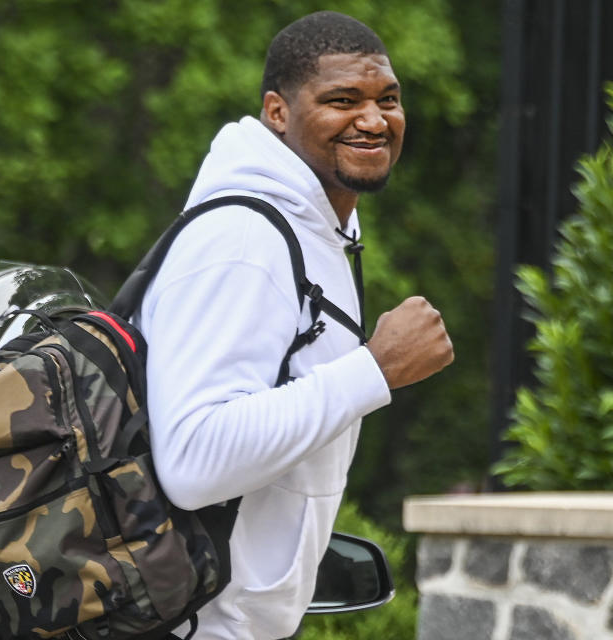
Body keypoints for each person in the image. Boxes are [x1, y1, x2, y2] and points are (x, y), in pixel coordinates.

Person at [135, 11, 454, 639]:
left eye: (387, 99)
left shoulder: (318, 233)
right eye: (342, 100)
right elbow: (194, 458)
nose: (373, 120)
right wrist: (375, 370)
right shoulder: (244, 240)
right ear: (277, 113)